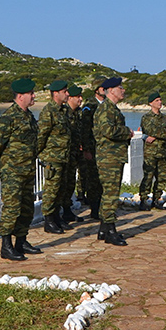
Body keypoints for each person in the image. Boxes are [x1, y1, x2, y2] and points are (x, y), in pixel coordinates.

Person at [0, 77, 41, 261]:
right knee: (12, 208)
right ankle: (6, 246)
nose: (33, 96)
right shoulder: (9, 117)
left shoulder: (28, 116)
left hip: (27, 170)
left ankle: (21, 241)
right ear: (20, 96)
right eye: (30, 93)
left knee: (27, 207)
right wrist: (5, 163)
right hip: (13, 171)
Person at [93, 76, 133, 245]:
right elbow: (109, 130)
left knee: (110, 193)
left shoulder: (112, 109)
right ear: (111, 91)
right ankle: (110, 230)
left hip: (113, 156)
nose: (123, 90)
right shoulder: (106, 110)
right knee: (111, 195)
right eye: (120, 88)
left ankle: (104, 228)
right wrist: (127, 132)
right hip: (108, 158)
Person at [37, 80, 72, 234]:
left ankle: (57, 217)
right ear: (56, 93)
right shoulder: (48, 111)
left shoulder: (63, 110)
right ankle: (49, 220)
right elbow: (41, 136)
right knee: (51, 189)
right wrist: (39, 155)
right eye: (65, 91)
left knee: (61, 189)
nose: (67, 94)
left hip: (63, 156)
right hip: (53, 157)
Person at [138, 90, 166, 210]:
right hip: (150, 152)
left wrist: (165, 133)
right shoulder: (146, 117)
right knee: (148, 176)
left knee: (161, 177)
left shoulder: (165, 118)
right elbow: (150, 131)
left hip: (163, 151)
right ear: (151, 103)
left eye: (160, 100)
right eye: (157, 101)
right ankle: (143, 199)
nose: (160, 102)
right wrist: (165, 133)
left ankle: (157, 198)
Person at [78, 82, 105, 220]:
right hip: (93, 148)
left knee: (102, 180)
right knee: (93, 180)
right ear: (96, 90)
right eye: (102, 88)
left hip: (103, 149)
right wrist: (86, 149)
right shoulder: (90, 106)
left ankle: (101, 207)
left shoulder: (106, 105)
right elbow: (85, 129)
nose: (105, 90)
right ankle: (94, 209)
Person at [62, 84, 84, 223]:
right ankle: (58, 215)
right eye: (78, 97)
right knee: (62, 185)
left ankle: (67, 211)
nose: (81, 99)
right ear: (70, 97)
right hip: (65, 155)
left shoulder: (78, 113)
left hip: (75, 154)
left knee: (70, 184)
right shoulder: (64, 113)